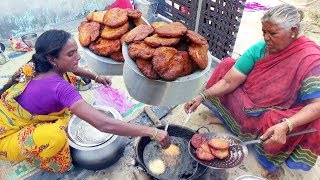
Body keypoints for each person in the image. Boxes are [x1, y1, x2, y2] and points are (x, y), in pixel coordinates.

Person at [0, 29, 170, 173]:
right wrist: (152, 132)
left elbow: (72, 68)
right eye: (71, 54)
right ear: (52, 59)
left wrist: (95, 76)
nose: (78, 57)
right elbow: (104, 124)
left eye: (76, 51)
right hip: (7, 134)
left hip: (13, 110)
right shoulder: (59, 87)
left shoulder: (39, 63)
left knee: (70, 77)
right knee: (58, 136)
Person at [184, 4, 320, 179]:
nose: (266, 38)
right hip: (251, 101)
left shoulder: (310, 58)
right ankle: (229, 120)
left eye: (273, 34)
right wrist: (201, 95)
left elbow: (317, 105)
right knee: (226, 65)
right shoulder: (260, 48)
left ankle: (272, 163)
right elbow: (229, 81)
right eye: (264, 32)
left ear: (293, 31)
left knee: (290, 121)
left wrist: (287, 125)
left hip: (283, 110)